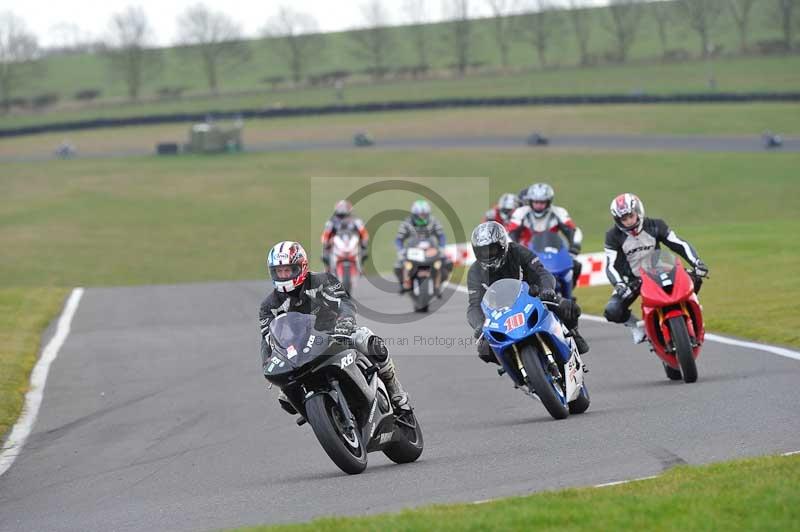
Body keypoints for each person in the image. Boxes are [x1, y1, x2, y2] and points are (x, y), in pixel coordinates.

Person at [260, 241, 409, 415]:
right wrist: (268, 362)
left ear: (301, 266)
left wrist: (345, 321)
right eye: (279, 271)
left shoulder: (323, 280)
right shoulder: (268, 306)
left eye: (288, 270)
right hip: (300, 352)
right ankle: (323, 416)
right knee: (285, 398)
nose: (284, 275)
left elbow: (344, 302)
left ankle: (395, 390)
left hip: (335, 334)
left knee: (368, 341)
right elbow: (268, 338)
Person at [466, 221, 590, 364]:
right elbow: (474, 305)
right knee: (483, 349)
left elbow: (542, 273)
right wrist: (479, 324)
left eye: (492, 249)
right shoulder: (474, 272)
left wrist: (547, 290)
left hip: (531, 297)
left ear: (502, 245)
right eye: (483, 251)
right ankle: (512, 363)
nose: (488, 255)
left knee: (569, 307)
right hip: (500, 314)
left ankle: (573, 332)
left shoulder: (518, 251)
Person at [603, 193, 709, 344]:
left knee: (696, 278)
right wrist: (619, 284)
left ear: (638, 211)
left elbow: (678, 244)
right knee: (612, 311)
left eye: (630, 216)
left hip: (660, 270)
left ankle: (692, 310)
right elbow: (610, 265)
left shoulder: (655, 225)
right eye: (623, 219)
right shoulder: (612, 236)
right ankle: (636, 327)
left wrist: (697, 262)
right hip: (632, 279)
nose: (628, 221)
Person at [507, 183, 584, 288]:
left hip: (553, 252)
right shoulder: (520, 213)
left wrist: (574, 247)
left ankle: (569, 293)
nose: (539, 205)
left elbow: (572, 231)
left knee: (575, 265)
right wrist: (515, 252)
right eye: (536, 202)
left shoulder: (559, 212)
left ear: (548, 202)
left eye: (542, 202)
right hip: (527, 253)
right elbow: (511, 233)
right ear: (530, 201)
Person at [393, 199, 453, 293]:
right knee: (398, 266)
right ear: (414, 214)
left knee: (448, 263)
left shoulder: (433, 221)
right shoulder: (406, 223)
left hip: (430, 250)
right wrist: (401, 251)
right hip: (412, 251)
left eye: (424, 215)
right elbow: (399, 239)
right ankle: (405, 283)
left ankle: (438, 283)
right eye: (420, 215)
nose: (422, 217)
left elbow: (441, 236)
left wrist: (441, 248)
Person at [320, 200, 369, 273]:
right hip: (337, 243)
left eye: (344, 208)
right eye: (341, 207)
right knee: (325, 252)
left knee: (364, 250)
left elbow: (363, 233)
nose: (342, 210)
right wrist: (326, 242)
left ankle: (360, 266)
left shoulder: (356, 220)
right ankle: (328, 268)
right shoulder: (332, 221)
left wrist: (364, 241)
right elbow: (326, 234)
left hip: (352, 242)